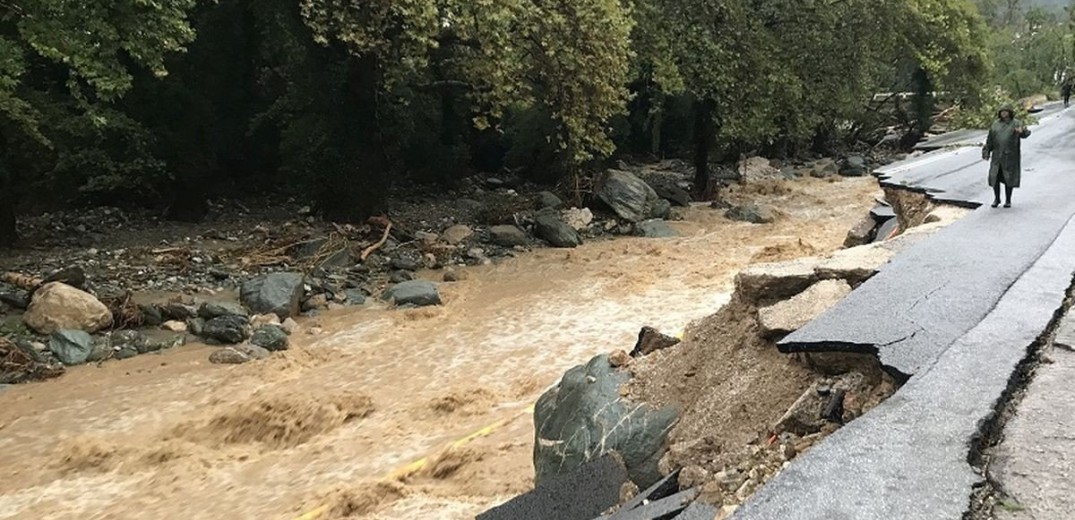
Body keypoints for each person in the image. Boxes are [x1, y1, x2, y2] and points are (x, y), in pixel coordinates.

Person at [982, 105, 1030, 208]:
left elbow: (1025, 133)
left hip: (1010, 156)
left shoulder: (1016, 123)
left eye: (1005, 111)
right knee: (994, 177)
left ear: (1009, 112)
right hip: (997, 156)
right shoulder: (995, 124)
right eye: (1002, 112)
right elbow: (990, 139)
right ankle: (997, 198)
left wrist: (1022, 132)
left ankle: (1008, 200)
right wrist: (986, 151)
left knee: (1009, 178)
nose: (1004, 113)